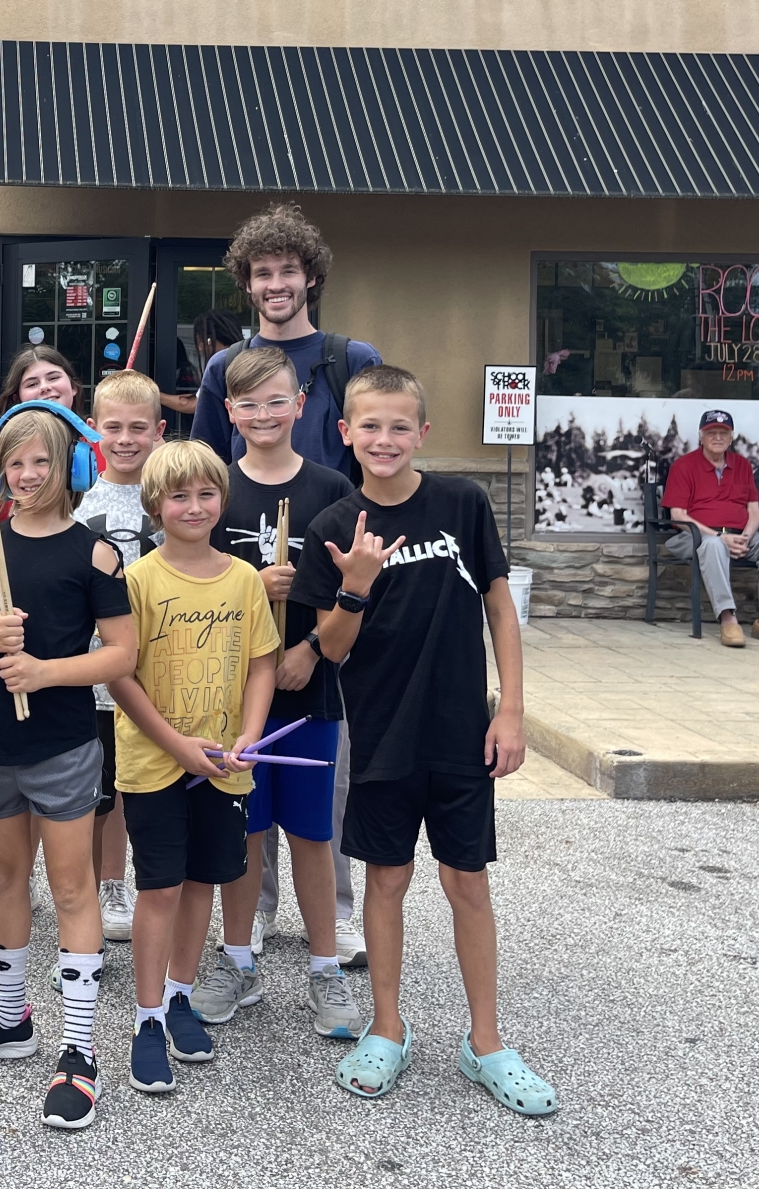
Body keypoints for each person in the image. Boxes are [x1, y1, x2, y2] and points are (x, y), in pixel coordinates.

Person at [301, 365, 556, 1116]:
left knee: (467, 882)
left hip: (459, 733)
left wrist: (510, 712)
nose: (384, 439)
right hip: (380, 736)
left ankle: (486, 1043)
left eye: (399, 426)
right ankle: (387, 1028)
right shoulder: (332, 528)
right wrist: (356, 584)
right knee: (385, 882)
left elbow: (501, 610)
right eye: (369, 426)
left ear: (421, 432)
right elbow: (333, 647)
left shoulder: (461, 504)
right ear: (346, 433)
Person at [0, 405, 135, 1131]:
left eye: (42, 462)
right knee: (3, 879)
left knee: (74, 888)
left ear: (71, 469)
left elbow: (121, 654)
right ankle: (9, 1019)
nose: (27, 475)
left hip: (65, 743)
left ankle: (80, 1050)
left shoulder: (96, 553)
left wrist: (46, 672)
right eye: (14, 463)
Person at [194, 346, 360, 1040]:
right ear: (228, 413)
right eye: (247, 404)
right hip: (233, 693)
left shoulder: (332, 490)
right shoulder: (213, 488)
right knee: (245, 829)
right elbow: (189, 583)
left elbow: (359, 593)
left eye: (276, 401)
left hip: (311, 688)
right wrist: (249, 588)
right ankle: (237, 962)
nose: (263, 414)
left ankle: (325, 968)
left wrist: (311, 646)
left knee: (313, 835)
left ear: (301, 405)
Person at [106, 440, 279, 1096]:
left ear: (222, 501)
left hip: (227, 765)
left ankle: (180, 996)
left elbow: (263, 661)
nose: (195, 505)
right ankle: (147, 1018)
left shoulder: (241, 578)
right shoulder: (138, 580)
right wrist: (178, 746)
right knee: (160, 888)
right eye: (179, 495)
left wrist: (252, 733)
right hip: (155, 764)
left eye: (207, 494)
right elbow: (120, 676)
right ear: (155, 505)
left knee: (203, 881)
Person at [73, 368, 165, 945]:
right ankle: (96, 885)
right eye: (114, 427)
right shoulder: (81, 508)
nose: (126, 438)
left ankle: (140, 883)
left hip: (157, 669)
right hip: (96, 672)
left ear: (159, 431)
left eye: (139, 427)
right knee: (97, 790)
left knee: (142, 785)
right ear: (93, 432)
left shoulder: (170, 498)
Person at [191, 203, 380, 476]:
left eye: (289, 271)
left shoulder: (354, 360)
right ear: (247, 283)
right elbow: (205, 467)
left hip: (335, 517)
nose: (276, 285)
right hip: (244, 519)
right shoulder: (224, 366)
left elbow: (379, 458)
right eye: (263, 273)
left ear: (311, 277)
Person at [660, 409, 759, 649]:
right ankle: (727, 618)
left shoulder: (742, 465)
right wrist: (720, 537)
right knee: (712, 545)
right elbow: (679, 516)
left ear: (731, 437)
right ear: (701, 436)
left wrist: (745, 537)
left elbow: (754, 511)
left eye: (723, 432)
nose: (717, 437)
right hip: (697, 535)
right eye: (711, 432)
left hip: (738, 535)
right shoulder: (684, 466)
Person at [0, 344, 97, 512]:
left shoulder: (103, 446)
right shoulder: (2, 449)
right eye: (32, 384)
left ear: (74, 387)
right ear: (18, 398)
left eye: (53, 378)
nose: (44, 387)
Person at [160, 309, 246, 420]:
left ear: (209, 340)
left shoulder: (220, 364)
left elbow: (192, 405)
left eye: (200, 341)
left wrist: (154, 395)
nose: (200, 348)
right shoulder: (247, 357)